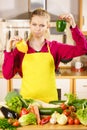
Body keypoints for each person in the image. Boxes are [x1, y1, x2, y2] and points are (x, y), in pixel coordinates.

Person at [2, 8, 87, 102]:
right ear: (30, 25)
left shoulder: (55, 47)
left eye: (42, 25)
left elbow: (83, 49)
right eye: (34, 24)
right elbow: (7, 75)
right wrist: (8, 50)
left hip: (50, 103)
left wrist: (73, 25)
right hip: (27, 104)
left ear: (48, 26)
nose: (37, 28)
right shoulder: (21, 49)